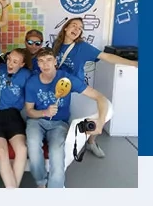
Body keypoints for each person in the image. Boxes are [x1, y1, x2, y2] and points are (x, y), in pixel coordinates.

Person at [51, 17, 138, 158]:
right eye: (74, 25)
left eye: (80, 28)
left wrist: (133, 64)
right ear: (65, 28)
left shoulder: (82, 47)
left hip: (77, 89)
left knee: (99, 108)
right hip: (59, 89)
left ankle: (91, 141)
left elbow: (107, 57)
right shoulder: (56, 44)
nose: (77, 29)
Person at [24, 47, 109, 188]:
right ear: (37, 64)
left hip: (59, 124)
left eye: (49, 60)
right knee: (33, 144)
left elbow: (100, 98)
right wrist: (44, 112)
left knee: (57, 153)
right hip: (36, 121)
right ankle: (41, 183)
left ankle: (55, 189)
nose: (45, 64)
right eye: (41, 61)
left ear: (55, 61)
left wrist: (100, 121)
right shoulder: (32, 82)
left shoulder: (66, 79)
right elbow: (29, 111)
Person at [0, 48, 32, 188]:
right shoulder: (0, 69)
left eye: (15, 61)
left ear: (22, 64)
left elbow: (35, 90)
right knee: (1, 151)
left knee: (22, 149)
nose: (10, 63)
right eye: (9, 59)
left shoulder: (27, 75)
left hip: (13, 115)